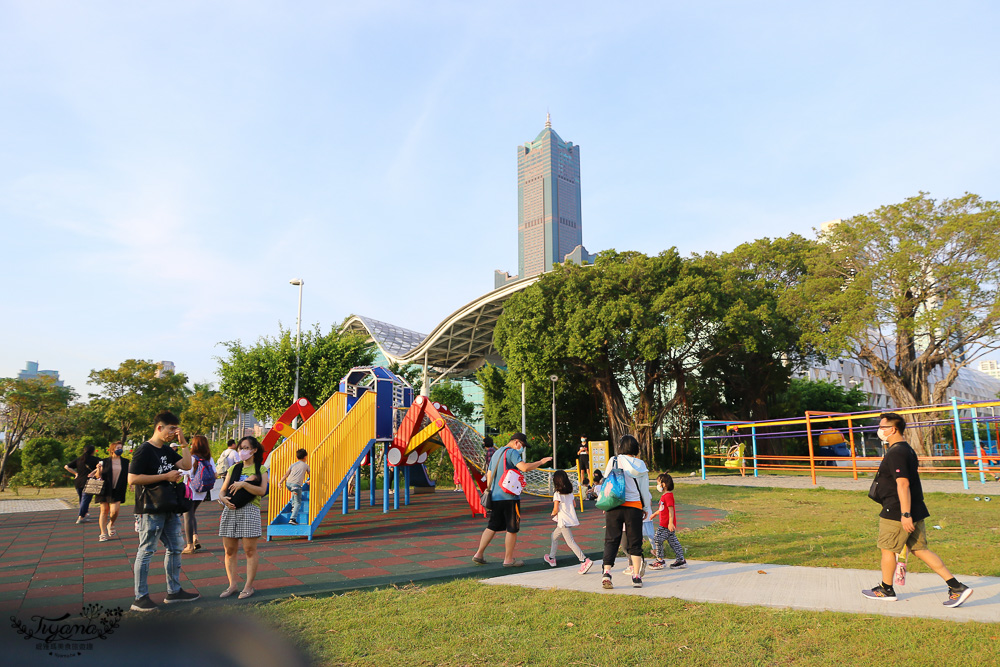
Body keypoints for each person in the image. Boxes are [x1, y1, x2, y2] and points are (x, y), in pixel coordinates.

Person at [862, 413, 973, 607]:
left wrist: (905, 514)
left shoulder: (896, 452)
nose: (880, 430)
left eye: (882, 426)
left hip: (898, 511)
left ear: (893, 429)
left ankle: (885, 589)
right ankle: (956, 587)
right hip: (913, 508)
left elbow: (903, 484)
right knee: (920, 549)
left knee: (887, 549)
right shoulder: (906, 450)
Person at [128, 411, 200, 612]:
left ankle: (174, 592)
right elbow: (132, 479)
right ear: (159, 428)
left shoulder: (167, 450)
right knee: (147, 550)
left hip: (169, 505)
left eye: (176, 429)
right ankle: (140, 598)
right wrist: (165, 476)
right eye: (171, 429)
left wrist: (183, 441)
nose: (173, 433)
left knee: (176, 547)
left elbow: (187, 465)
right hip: (150, 507)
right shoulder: (145, 450)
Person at [472, 432, 552, 567]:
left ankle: (479, 553)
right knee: (512, 528)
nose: (522, 448)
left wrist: (492, 491)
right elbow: (524, 467)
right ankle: (508, 559)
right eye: (523, 446)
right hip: (510, 497)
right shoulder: (512, 453)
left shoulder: (496, 453)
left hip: (496, 496)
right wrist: (541, 462)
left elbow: (489, 474)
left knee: (492, 525)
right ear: (517, 442)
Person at [219, 436, 269, 600]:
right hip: (230, 510)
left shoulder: (261, 470)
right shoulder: (234, 469)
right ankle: (232, 584)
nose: (242, 451)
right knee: (229, 551)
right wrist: (223, 498)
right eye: (240, 448)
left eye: (246, 448)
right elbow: (223, 489)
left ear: (254, 450)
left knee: (249, 550)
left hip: (250, 510)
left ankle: (248, 587)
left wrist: (244, 484)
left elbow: (262, 492)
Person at [600, 435, 652, 590]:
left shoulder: (613, 461)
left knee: (611, 540)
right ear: (635, 448)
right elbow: (644, 489)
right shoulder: (641, 464)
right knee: (634, 542)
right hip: (634, 507)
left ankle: (607, 573)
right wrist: (645, 508)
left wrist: (606, 503)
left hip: (614, 505)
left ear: (621, 447)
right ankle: (636, 576)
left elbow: (607, 482)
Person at [543, 469, 593, 574]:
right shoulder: (570, 492)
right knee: (554, 536)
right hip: (567, 520)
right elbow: (574, 505)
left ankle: (584, 560)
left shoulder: (557, 494)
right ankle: (551, 557)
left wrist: (553, 513)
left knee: (570, 542)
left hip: (563, 521)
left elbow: (556, 509)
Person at [180, 435, 217, 554]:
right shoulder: (208, 458)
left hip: (190, 491)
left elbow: (181, 472)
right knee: (191, 514)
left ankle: (189, 545)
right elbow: (215, 474)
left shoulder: (191, 458)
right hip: (202, 491)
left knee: (187, 516)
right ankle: (195, 537)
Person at [91, 442, 129, 541]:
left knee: (115, 511)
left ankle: (111, 524)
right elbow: (97, 476)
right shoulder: (104, 461)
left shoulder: (125, 462)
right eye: (118, 448)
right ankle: (103, 533)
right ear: (112, 449)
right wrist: (98, 469)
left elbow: (128, 474)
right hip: (105, 489)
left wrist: (131, 484)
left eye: (121, 448)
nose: (120, 449)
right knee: (104, 511)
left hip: (118, 488)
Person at [649, 473, 686, 570]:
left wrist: (670, 523)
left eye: (658, 483)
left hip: (666, 525)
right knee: (673, 541)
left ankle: (660, 560)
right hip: (666, 524)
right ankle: (680, 560)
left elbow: (671, 510)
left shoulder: (668, 496)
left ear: (664, 484)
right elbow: (662, 508)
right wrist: (655, 514)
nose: (657, 486)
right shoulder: (664, 496)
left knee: (657, 539)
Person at [64, 444, 101, 524]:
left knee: (82, 499)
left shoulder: (79, 459)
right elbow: (102, 465)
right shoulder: (96, 459)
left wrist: (75, 473)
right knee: (86, 500)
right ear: (93, 451)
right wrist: (93, 472)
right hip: (90, 481)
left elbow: (66, 466)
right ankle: (81, 517)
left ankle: (85, 514)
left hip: (78, 481)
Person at [276, 448, 309, 525]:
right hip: (296, 486)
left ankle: (293, 506)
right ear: (305, 457)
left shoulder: (293, 465)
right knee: (298, 502)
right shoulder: (306, 466)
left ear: (297, 458)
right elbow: (311, 475)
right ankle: (292, 519)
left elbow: (286, 474)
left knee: (294, 493)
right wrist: (309, 481)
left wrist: (279, 482)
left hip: (288, 484)